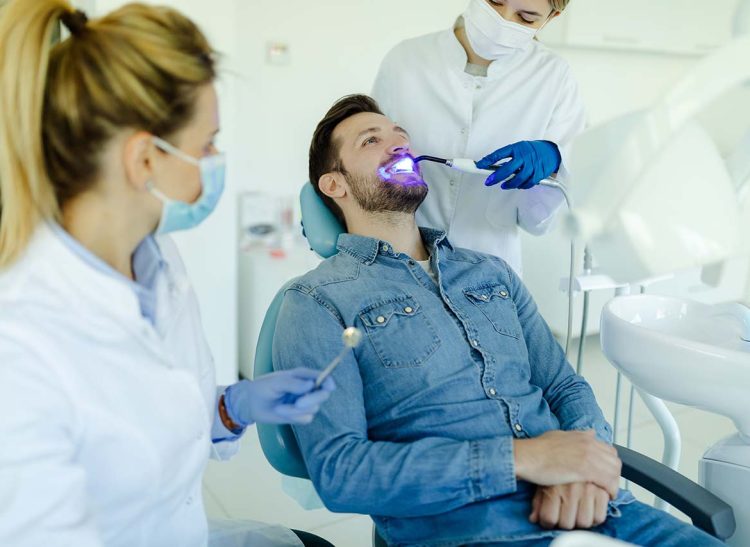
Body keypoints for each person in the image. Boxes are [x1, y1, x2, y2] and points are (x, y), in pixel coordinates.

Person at [272, 94, 724, 546]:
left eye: (402, 138)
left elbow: (564, 387)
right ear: (334, 185)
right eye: (372, 140)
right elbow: (342, 473)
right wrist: (523, 459)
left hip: (596, 506)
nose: (399, 147)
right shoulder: (315, 301)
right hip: (471, 529)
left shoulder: (489, 272)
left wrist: (585, 469)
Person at [0, 2, 334, 546]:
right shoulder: (21, 349)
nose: (215, 160)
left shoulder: (156, 258)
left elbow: (143, 428)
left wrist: (230, 406)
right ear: (144, 160)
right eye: (206, 145)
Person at [372, 0, 585, 276]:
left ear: (552, 17)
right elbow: (365, 162)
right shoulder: (405, 60)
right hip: (398, 262)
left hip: (490, 270)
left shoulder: (554, 77)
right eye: (495, 1)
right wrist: (334, 208)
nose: (502, 20)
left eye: (526, 17)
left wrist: (554, 163)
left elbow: (537, 222)